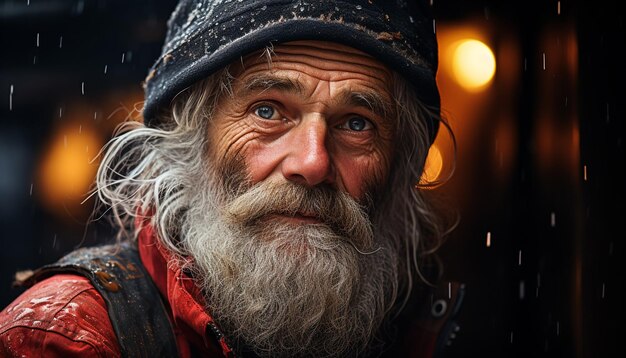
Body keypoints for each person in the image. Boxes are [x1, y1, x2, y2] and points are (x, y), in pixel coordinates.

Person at [0, 1, 463, 357]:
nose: (312, 162)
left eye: (357, 123)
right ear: (191, 139)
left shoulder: (426, 332)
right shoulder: (67, 337)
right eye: (267, 111)